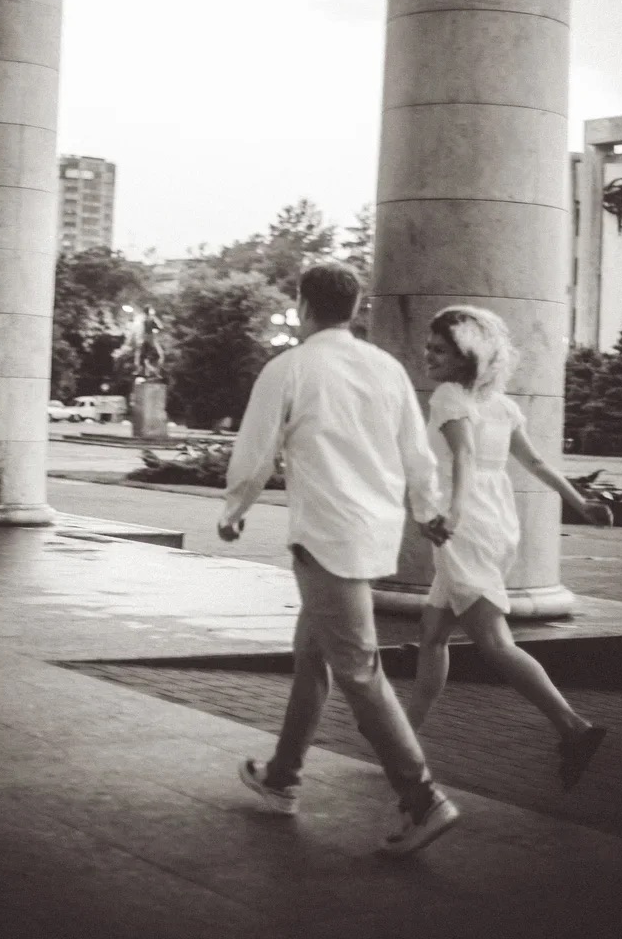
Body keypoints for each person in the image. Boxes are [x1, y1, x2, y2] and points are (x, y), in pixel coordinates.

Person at [217, 261, 460, 856]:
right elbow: (417, 452)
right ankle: (282, 776)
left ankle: (422, 798)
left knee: (357, 670)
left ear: (303, 305)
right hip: (372, 534)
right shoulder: (386, 369)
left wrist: (234, 509)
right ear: (354, 309)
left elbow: (256, 450)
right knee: (312, 656)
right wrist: (428, 510)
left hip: (326, 538)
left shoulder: (290, 367)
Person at [408, 305, 613, 790]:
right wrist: (581, 504)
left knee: (495, 642)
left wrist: (453, 514)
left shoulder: (449, 397)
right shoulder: (500, 405)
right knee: (433, 634)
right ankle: (404, 736)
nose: (429, 356)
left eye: (440, 351)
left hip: (467, 526)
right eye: (429, 347)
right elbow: (536, 462)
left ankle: (572, 727)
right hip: (496, 523)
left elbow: (463, 456)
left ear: (467, 357)